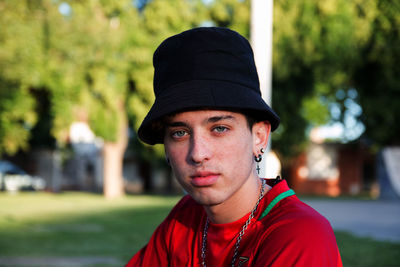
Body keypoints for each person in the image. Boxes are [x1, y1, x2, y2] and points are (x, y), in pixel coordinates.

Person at [126, 27, 342, 267]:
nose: (198, 154)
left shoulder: (301, 235)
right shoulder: (185, 216)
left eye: (219, 128)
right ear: (166, 147)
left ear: (259, 136)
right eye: (180, 133)